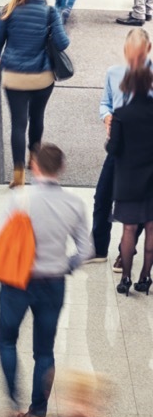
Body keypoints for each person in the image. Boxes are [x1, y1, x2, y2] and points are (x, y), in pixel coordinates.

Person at [0, 143, 91, 417]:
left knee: (8, 341)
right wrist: (67, 265)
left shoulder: (19, 199)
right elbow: (87, 249)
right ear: (61, 169)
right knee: (44, 352)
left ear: (34, 166)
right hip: (53, 283)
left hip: (17, 282)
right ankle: (37, 414)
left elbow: (1, 239)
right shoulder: (74, 204)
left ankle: (13, 400)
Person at [0, 0, 69, 188]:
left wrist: (1, 56)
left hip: (14, 76)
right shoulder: (49, 12)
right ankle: (34, 158)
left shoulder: (9, 9)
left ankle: (18, 173)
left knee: (18, 123)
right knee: (37, 117)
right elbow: (63, 43)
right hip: (41, 77)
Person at [92, 30, 152, 267]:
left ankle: (125, 253)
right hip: (119, 147)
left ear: (147, 50)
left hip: (145, 151)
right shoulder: (113, 73)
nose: (134, 59)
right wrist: (106, 116)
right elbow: (105, 102)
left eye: (138, 54)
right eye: (130, 54)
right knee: (103, 194)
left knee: (138, 204)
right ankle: (98, 249)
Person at [109, 64, 153, 294]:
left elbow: (113, 148)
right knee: (151, 229)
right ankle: (145, 277)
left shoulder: (122, 114)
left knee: (129, 229)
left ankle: (125, 277)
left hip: (129, 180)